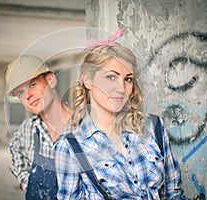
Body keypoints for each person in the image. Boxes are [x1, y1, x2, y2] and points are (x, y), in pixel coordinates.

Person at [55, 30, 185, 199]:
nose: (121, 88)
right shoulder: (70, 147)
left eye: (128, 79)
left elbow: (173, 192)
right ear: (88, 80)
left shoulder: (153, 127)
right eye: (111, 77)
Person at [5, 55, 72, 200]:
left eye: (32, 85)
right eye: (20, 92)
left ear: (51, 80)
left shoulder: (85, 126)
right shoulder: (28, 129)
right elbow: (15, 150)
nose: (28, 95)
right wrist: (26, 182)